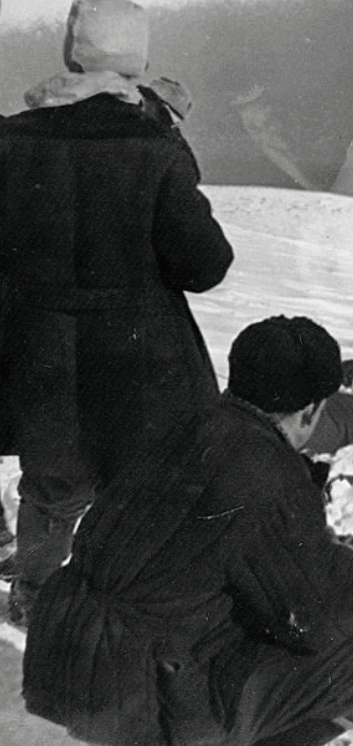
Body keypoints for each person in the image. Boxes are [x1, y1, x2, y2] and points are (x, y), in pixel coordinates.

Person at [22, 315, 353, 746]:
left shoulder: (178, 427)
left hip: (57, 669)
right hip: (132, 715)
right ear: (310, 411)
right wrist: (348, 563)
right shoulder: (268, 470)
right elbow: (315, 622)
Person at [0, 0, 234, 625]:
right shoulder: (154, 145)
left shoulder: (9, 142)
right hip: (140, 358)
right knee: (142, 489)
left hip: (40, 354)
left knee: (52, 487)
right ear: (140, 61)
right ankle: (131, 605)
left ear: (70, 53)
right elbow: (206, 266)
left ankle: (35, 600)